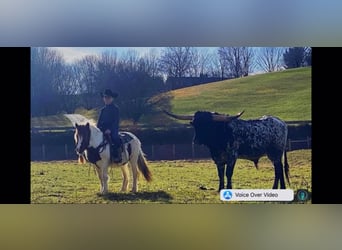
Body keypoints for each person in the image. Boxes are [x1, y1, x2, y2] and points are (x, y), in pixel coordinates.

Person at [97, 89, 122, 163]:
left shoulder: (115, 109)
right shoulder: (102, 110)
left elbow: (116, 122)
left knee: (115, 138)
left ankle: (117, 156)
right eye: (105, 97)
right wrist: (98, 129)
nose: (106, 99)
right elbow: (99, 122)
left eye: (108, 98)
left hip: (112, 129)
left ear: (112, 98)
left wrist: (110, 130)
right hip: (103, 130)